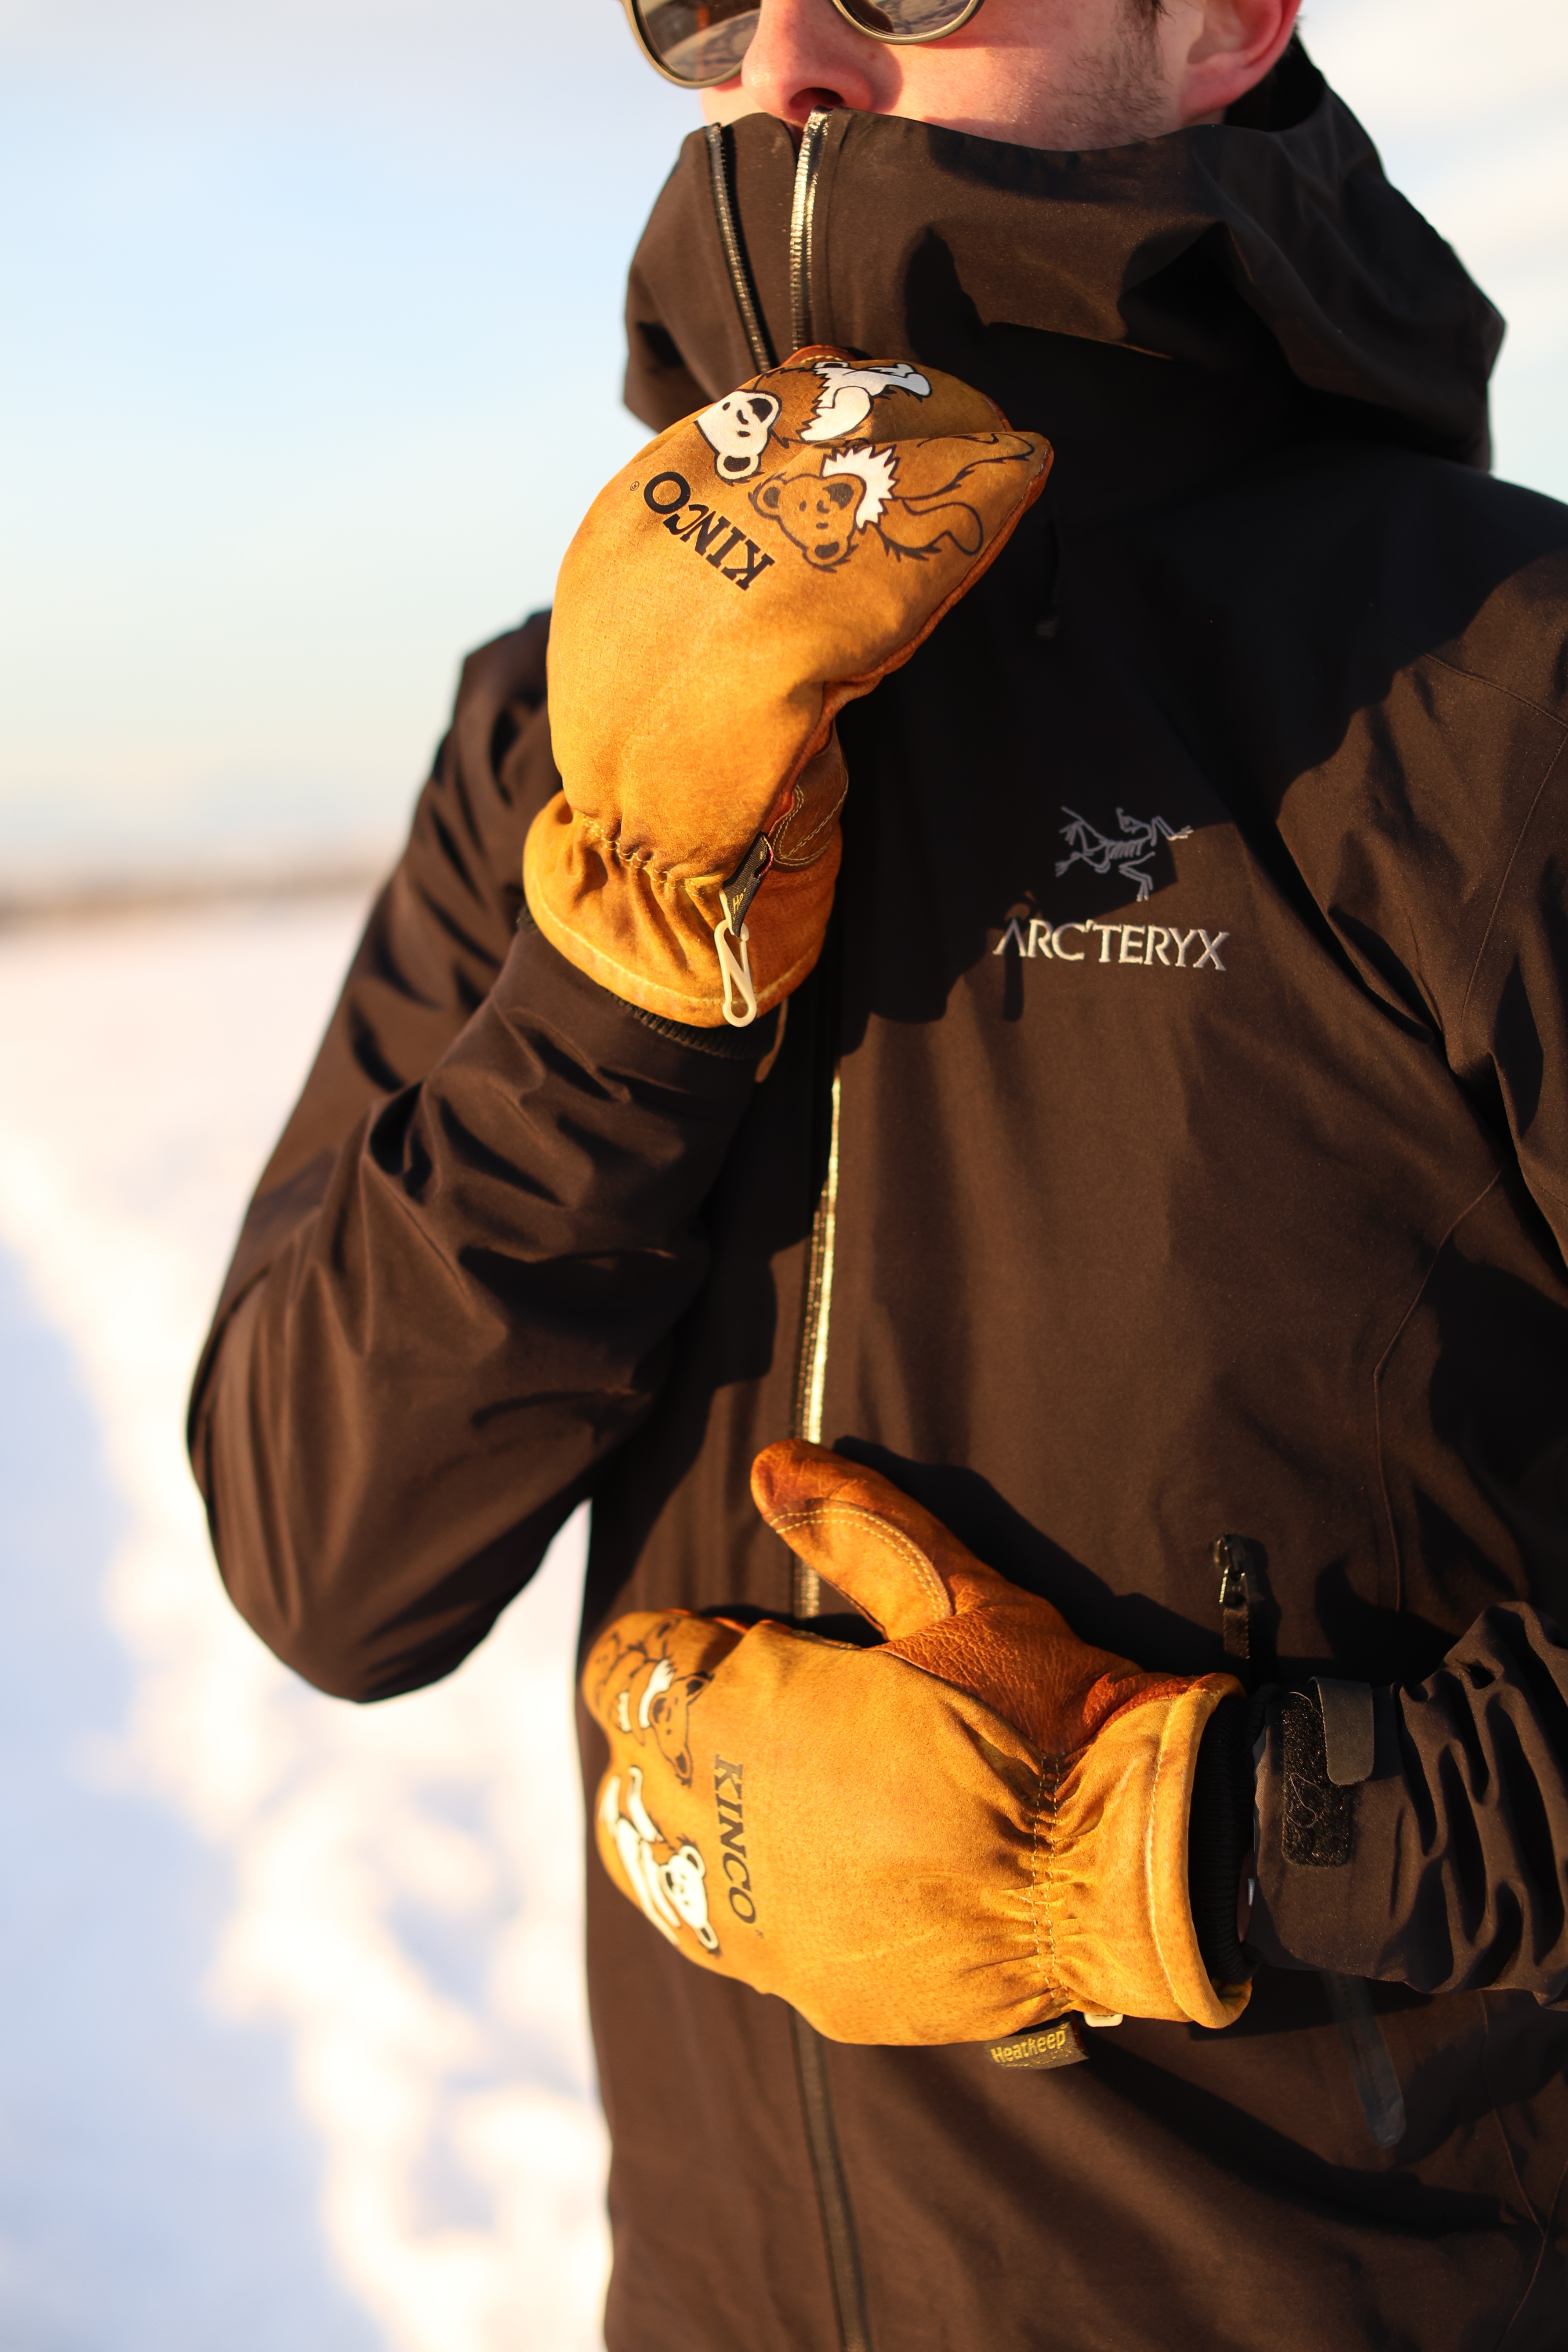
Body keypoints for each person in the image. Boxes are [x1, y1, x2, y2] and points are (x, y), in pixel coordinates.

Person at [189, 0, 1568, 2340]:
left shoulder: (1482, 683)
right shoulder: (559, 722)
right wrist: (627, 965)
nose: (794, 55)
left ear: (1226, 26)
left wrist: (1194, 1851)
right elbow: (329, 1551)